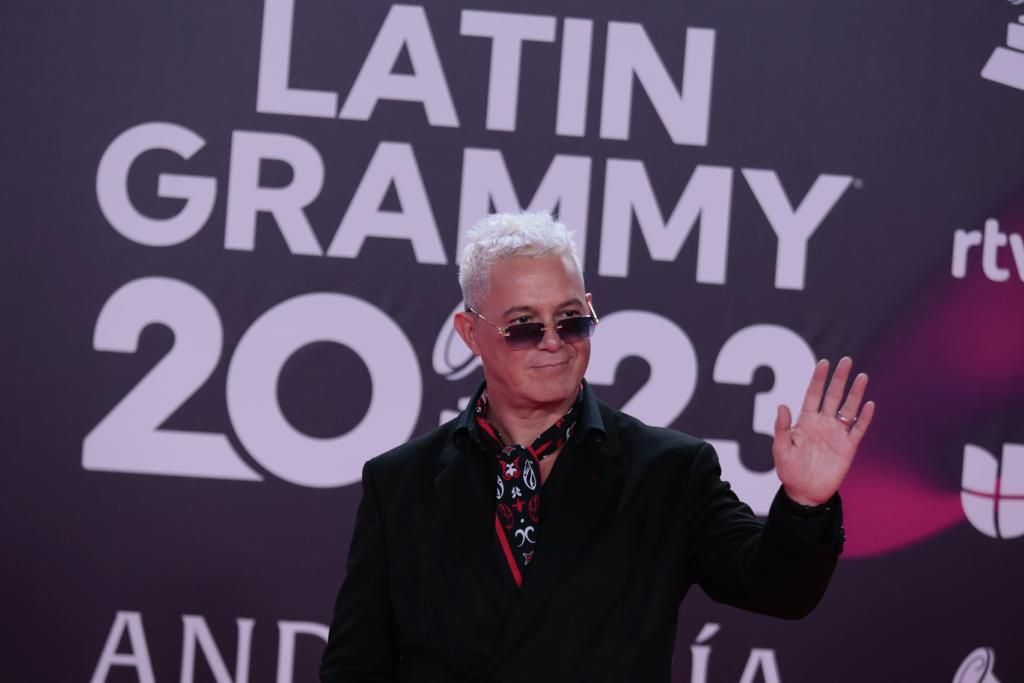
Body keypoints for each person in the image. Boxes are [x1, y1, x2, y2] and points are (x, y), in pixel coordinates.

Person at [320, 211, 875, 682]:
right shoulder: (399, 484)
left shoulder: (669, 472)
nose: (553, 343)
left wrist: (805, 503)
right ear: (470, 333)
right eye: (522, 327)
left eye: (570, 320)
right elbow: (355, 666)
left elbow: (777, 589)